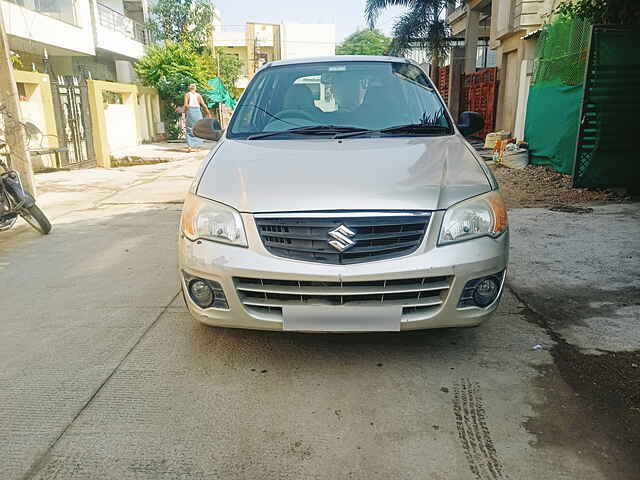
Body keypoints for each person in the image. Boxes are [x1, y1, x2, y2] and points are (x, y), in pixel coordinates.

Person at [183, 84, 211, 153]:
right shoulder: (198, 95)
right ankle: (197, 146)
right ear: (195, 88)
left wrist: (184, 112)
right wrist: (208, 113)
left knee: (189, 128)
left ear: (189, 88)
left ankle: (190, 146)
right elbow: (204, 105)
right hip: (198, 112)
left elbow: (186, 105)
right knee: (198, 128)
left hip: (191, 111)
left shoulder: (187, 95)